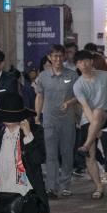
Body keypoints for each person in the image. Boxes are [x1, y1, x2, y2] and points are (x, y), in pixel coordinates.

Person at [35, 44, 78, 199]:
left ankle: (65, 185)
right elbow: (39, 96)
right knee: (51, 154)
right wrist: (37, 115)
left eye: (60, 55)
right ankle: (51, 187)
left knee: (66, 153)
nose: (58, 59)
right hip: (49, 121)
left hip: (67, 121)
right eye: (54, 56)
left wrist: (69, 103)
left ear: (64, 56)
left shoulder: (73, 75)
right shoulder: (43, 77)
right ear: (49, 57)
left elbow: (79, 96)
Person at [73, 50, 107, 199]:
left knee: (97, 112)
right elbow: (84, 107)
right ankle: (98, 187)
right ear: (76, 65)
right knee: (90, 156)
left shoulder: (105, 76)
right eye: (79, 62)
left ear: (91, 61)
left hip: (105, 114)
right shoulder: (78, 85)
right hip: (87, 119)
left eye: (86, 61)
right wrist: (95, 128)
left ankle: (85, 145)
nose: (83, 64)